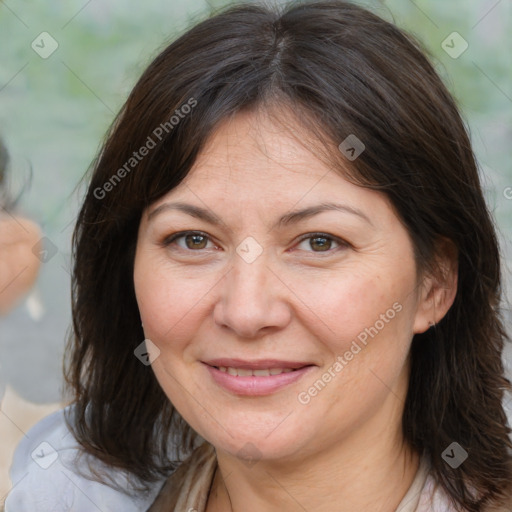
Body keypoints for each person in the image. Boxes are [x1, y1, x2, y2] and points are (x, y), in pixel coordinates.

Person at [6, 1, 512, 511]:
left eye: (320, 242)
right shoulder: (68, 491)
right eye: (193, 239)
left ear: (435, 283)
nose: (246, 312)